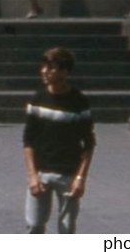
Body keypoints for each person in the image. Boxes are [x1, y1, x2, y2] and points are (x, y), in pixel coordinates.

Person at [23, 46, 94, 234]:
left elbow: (89, 144)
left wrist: (80, 178)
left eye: (51, 68)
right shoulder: (37, 99)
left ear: (65, 72)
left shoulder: (78, 102)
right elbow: (28, 141)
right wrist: (32, 175)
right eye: (44, 66)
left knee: (66, 230)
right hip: (41, 174)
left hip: (68, 175)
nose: (44, 71)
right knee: (35, 226)